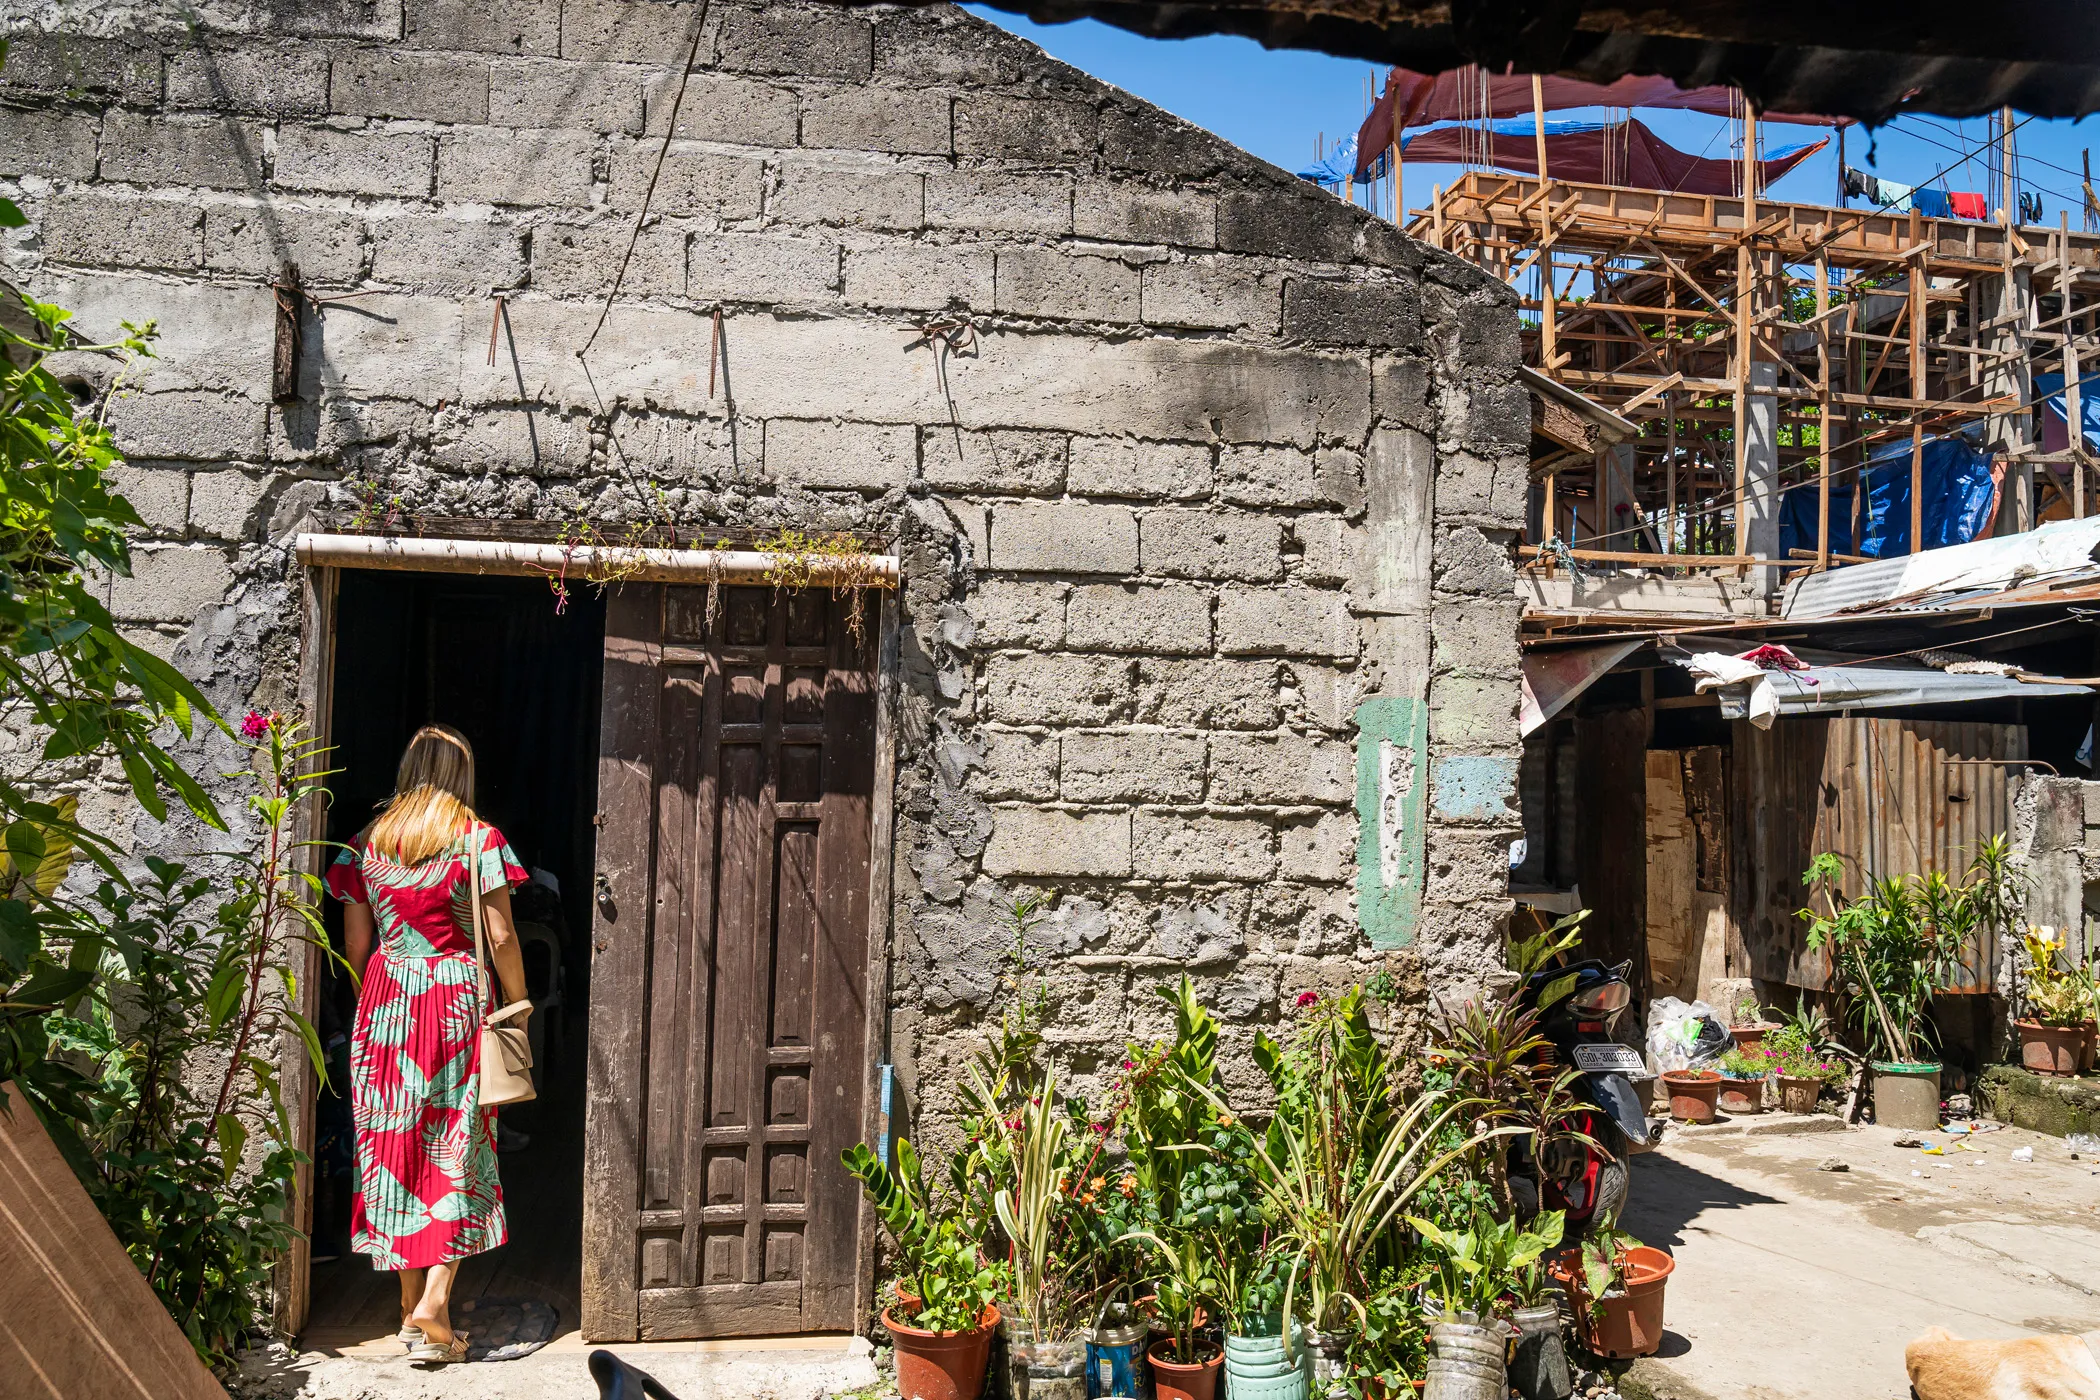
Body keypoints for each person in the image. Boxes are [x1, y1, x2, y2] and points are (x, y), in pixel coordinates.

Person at [327, 725, 529, 1365]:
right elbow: (498, 936)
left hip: (385, 1001)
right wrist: (517, 1003)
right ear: (462, 773)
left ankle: (408, 1317)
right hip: (454, 999)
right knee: (457, 1142)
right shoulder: (478, 840)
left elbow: (356, 944)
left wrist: (376, 995)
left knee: (396, 1147)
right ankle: (436, 1300)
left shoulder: (365, 844)